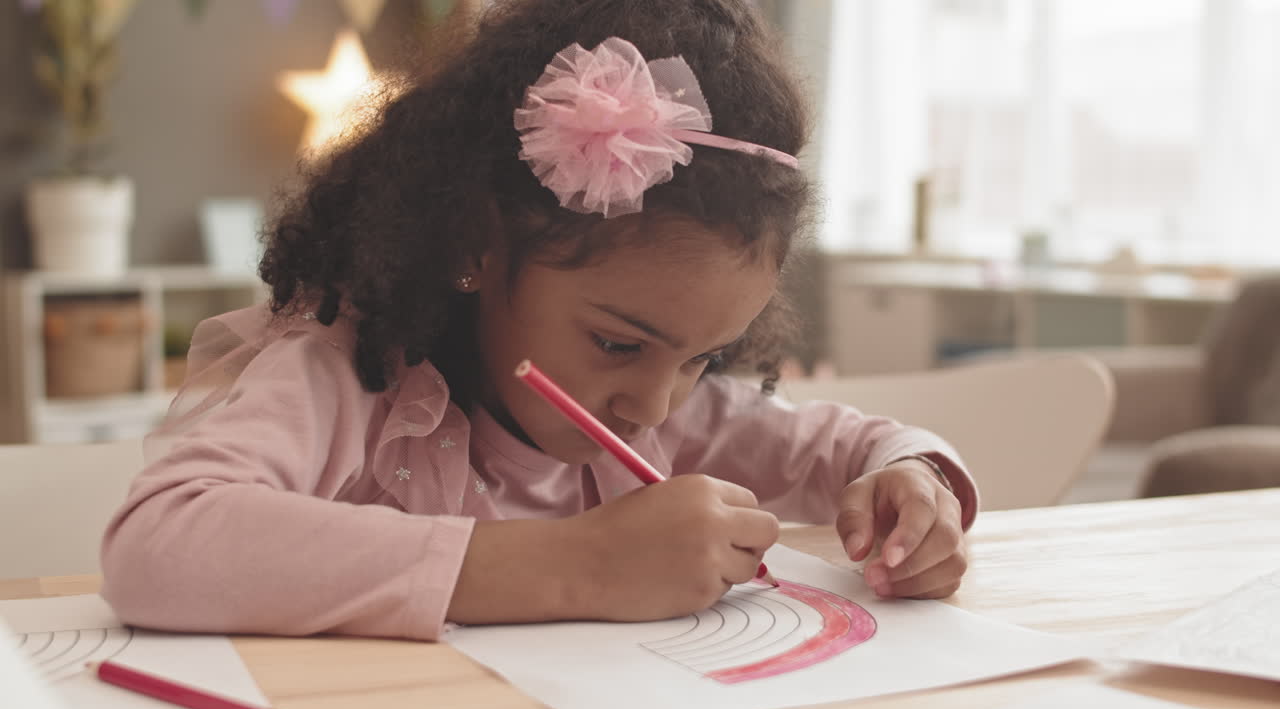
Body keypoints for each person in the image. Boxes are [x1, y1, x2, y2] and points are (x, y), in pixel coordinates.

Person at [101, 0, 978, 642]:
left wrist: (911, 481)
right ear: (477, 244)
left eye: (703, 358)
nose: (656, 407)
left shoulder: (675, 401)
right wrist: (577, 565)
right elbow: (158, 542)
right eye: (617, 343)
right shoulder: (346, 374)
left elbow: (850, 446)